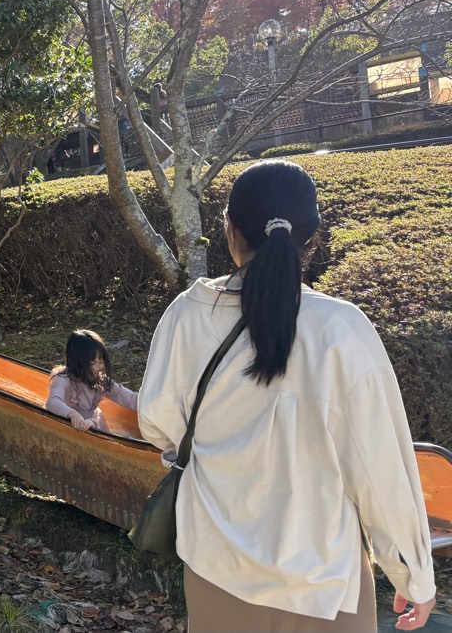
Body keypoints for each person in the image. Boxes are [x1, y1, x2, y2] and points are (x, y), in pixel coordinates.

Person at [137, 160, 435, 632]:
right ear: (311, 236)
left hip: (217, 567)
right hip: (322, 582)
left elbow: (157, 422)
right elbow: (379, 468)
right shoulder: (340, 330)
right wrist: (413, 573)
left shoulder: (186, 318)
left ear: (230, 230)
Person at [43, 330, 138, 433]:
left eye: (101, 362)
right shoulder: (63, 378)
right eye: (93, 363)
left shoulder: (100, 380)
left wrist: (151, 403)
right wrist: (73, 414)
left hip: (93, 424)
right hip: (68, 424)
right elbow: (52, 402)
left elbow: (129, 398)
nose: (99, 367)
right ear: (77, 363)